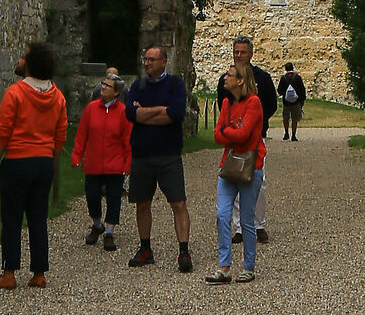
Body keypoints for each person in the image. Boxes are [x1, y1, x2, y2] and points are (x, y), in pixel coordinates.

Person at [0, 41, 68, 289]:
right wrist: (53, 163)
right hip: (43, 161)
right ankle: (39, 272)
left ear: (30, 65)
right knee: (38, 217)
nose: (19, 61)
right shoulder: (58, 97)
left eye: (23, 58)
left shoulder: (15, 93)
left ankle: (9, 272)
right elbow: (60, 134)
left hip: (17, 160)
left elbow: (3, 131)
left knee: (11, 217)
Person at [123, 42, 192, 270]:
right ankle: (145, 248)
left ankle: (184, 251)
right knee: (142, 203)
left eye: (152, 60)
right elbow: (130, 114)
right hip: (142, 155)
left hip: (168, 154)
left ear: (163, 62)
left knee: (178, 203)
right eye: (145, 59)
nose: (147, 63)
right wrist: (159, 110)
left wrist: (145, 113)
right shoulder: (138, 85)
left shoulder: (175, 85)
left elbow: (175, 113)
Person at [209, 60, 265, 282]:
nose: (225, 77)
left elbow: (243, 136)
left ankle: (248, 266)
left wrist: (226, 130)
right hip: (229, 164)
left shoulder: (254, 103)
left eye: (230, 75)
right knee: (222, 214)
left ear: (241, 80)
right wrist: (230, 131)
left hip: (251, 166)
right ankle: (224, 266)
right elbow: (216, 136)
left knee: (247, 219)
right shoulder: (226, 103)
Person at [218, 35, 275, 243]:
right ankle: (239, 228)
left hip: (254, 138)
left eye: (242, 52)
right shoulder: (226, 78)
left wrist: (253, 124)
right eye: (236, 52)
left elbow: (270, 105)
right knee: (232, 176)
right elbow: (222, 106)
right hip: (233, 140)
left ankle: (258, 225)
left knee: (259, 183)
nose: (239, 55)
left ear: (251, 54)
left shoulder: (263, 78)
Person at [72, 67, 132, 251]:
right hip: (93, 162)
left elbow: (127, 139)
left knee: (114, 198)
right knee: (92, 197)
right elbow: (82, 133)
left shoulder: (123, 111)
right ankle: (97, 223)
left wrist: (128, 163)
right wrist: (77, 155)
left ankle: (109, 231)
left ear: (116, 92)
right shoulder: (91, 108)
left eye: (108, 85)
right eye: (103, 84)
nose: (103, 87)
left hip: (115, 164)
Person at [279, 62, 305, 140]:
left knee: (285, 118)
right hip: (296, 101)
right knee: (294, 119)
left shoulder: (283, 78)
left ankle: (286, 133)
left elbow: (279, 90)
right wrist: (302, 100)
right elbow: (302, 90)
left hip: (286, 101)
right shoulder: (297, 77)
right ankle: (293, 135)